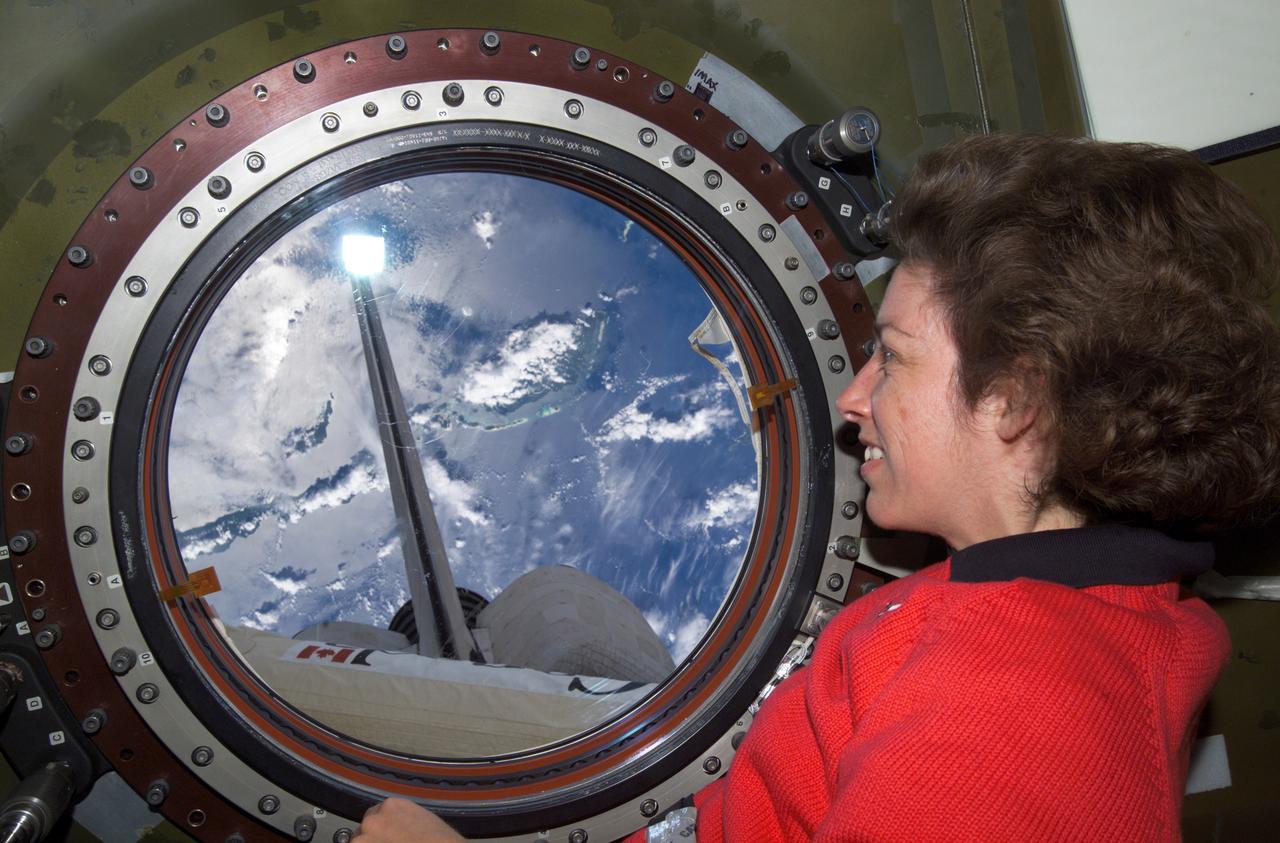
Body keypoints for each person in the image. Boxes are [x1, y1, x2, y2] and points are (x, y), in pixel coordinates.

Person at [353, 133, 1280, 842]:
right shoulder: (1047, 613)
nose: (852, 396)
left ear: (1015, 399)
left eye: (895, 357)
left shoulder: (1011, 724)